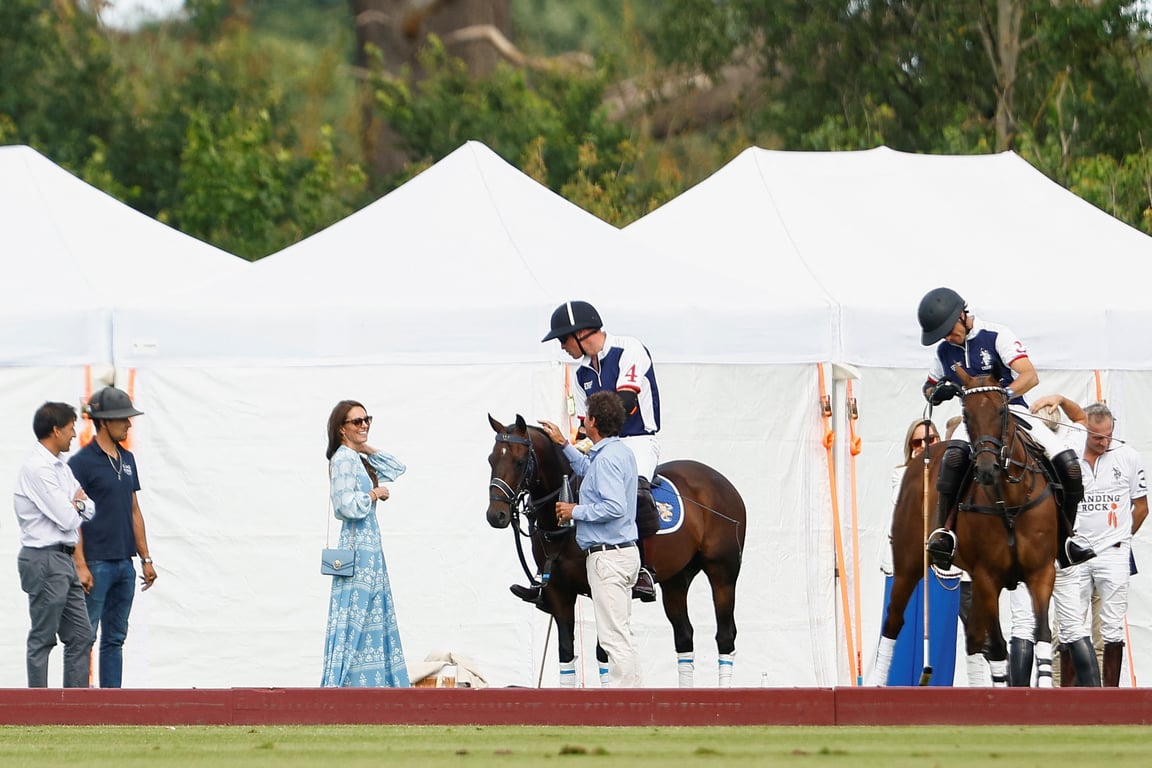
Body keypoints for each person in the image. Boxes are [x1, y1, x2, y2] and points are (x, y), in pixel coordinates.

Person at [916, 287, 1094, 571]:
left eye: (949, 330)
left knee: (1068, 464)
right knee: (952, 459)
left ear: (963, 315)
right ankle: (945, 532)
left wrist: (1001, 397)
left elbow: (1030, 375)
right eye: (943, 335)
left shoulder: (997, 336)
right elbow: (928, 386)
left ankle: (1067, 538)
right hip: (973, 421)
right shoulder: (943, 350)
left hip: (1015, 411)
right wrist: (936, 392)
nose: (948, 337)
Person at [513, 300, 660, 604]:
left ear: (581, 333)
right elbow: (584, 426)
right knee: (563, 489)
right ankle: (553, 572)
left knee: (638, 495)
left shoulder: (629, 349)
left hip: (636, 440)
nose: (563, 347)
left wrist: (594, 448)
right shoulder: (581, 374)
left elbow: (625, 403)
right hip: (602, 446)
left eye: (563, 339)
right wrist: (567, 444)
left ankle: (644, 570)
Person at [540, 391, 642, 687]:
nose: (584, 420)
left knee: (613, 639)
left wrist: (575, 511)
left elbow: (614, 507)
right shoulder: (616, 453)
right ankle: (636, 700)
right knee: (621, 634)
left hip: (607, 557)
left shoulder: (608, 459)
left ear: (594, 421)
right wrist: (564, 445)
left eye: (586, 416)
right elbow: (589, 472)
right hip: (623, 552)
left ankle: (626, 707)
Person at [68, 386, 156, 688]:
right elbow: (72, 517)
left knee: (116, 637)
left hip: (124, 562)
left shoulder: (128, 459)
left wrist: (145, 558)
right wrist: (80, 564)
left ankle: (111, 701)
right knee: (86, 635)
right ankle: (78, 702)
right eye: (122, 419)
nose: (128, 424)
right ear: (103, 421)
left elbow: (134, 509)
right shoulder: (80, 463)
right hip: (95, 562)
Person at [321, 400, 409, 688]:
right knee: (355, 612)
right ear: (341, 429)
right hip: (357, 544)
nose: (364, 425)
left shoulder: (355, 457)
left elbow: (398, 467)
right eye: (356, 422)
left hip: (370, 543)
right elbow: (344, 505)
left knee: (372, 611)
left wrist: (365, 447)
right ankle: (348, 682)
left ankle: (372, 682)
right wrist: (373, 494)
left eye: (366, 419)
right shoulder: (344, 459)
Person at [1005, 394, 1091, 687]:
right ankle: (1096, 700)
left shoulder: (1022, 451)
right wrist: (1061, 400)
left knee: (1023, 624)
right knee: (1073, 627)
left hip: (1027, 551)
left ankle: (1018, 700)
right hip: (1061, 554)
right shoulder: (1070, 441)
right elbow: (1081, 418)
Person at [13, 401, 95, 687]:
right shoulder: (38, 469)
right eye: (71, 428)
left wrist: (77, 505)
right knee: (43, 636)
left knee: (82, 635)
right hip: (43, 558)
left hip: (64, 559)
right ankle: (38, 707)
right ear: (56, 429)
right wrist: (76, 505)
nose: (74, 434)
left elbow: (87, 509)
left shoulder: (61, 468)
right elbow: (67, 518)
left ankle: (74, 706)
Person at [1070, 402, 1148, 686]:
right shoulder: (1069, 453)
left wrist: (1122, 537)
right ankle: (1069, 696)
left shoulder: (1127, 456)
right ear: (1084, 433)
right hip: (1076, 553)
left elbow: (1141, 507)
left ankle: (1110, 694)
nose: (1104, 442)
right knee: (1071, 626)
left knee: (1112, 627)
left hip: (1113, 552)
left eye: (1108, 435)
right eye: (1097, 437)